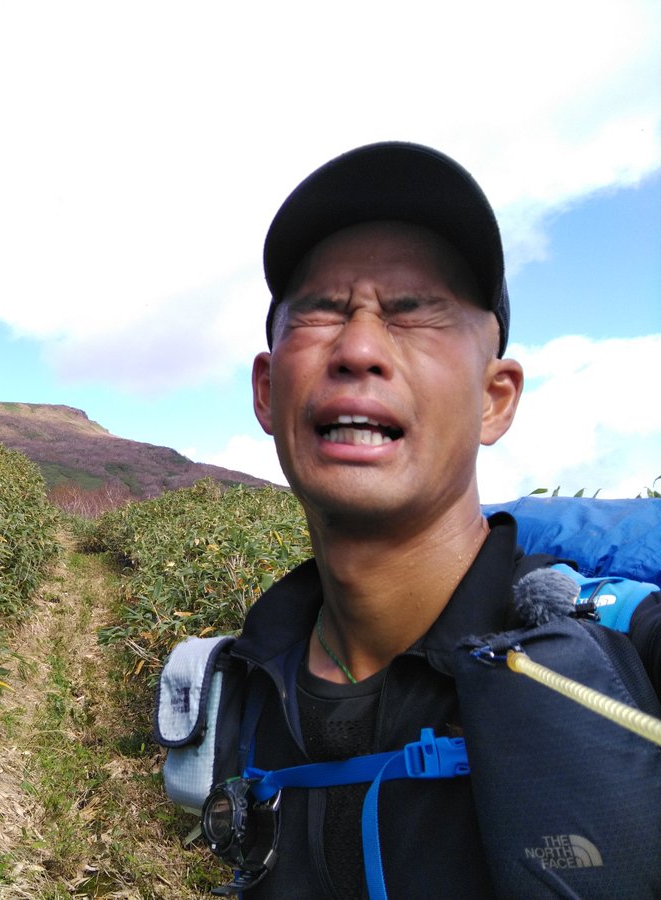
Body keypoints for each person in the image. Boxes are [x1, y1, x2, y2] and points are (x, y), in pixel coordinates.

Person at [232, 142, 661, 898]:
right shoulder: (241, 685)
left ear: (495, 398)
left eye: (414, 314)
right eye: (324, 310)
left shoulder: (624, 665)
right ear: (267, 392)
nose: (359, 348)